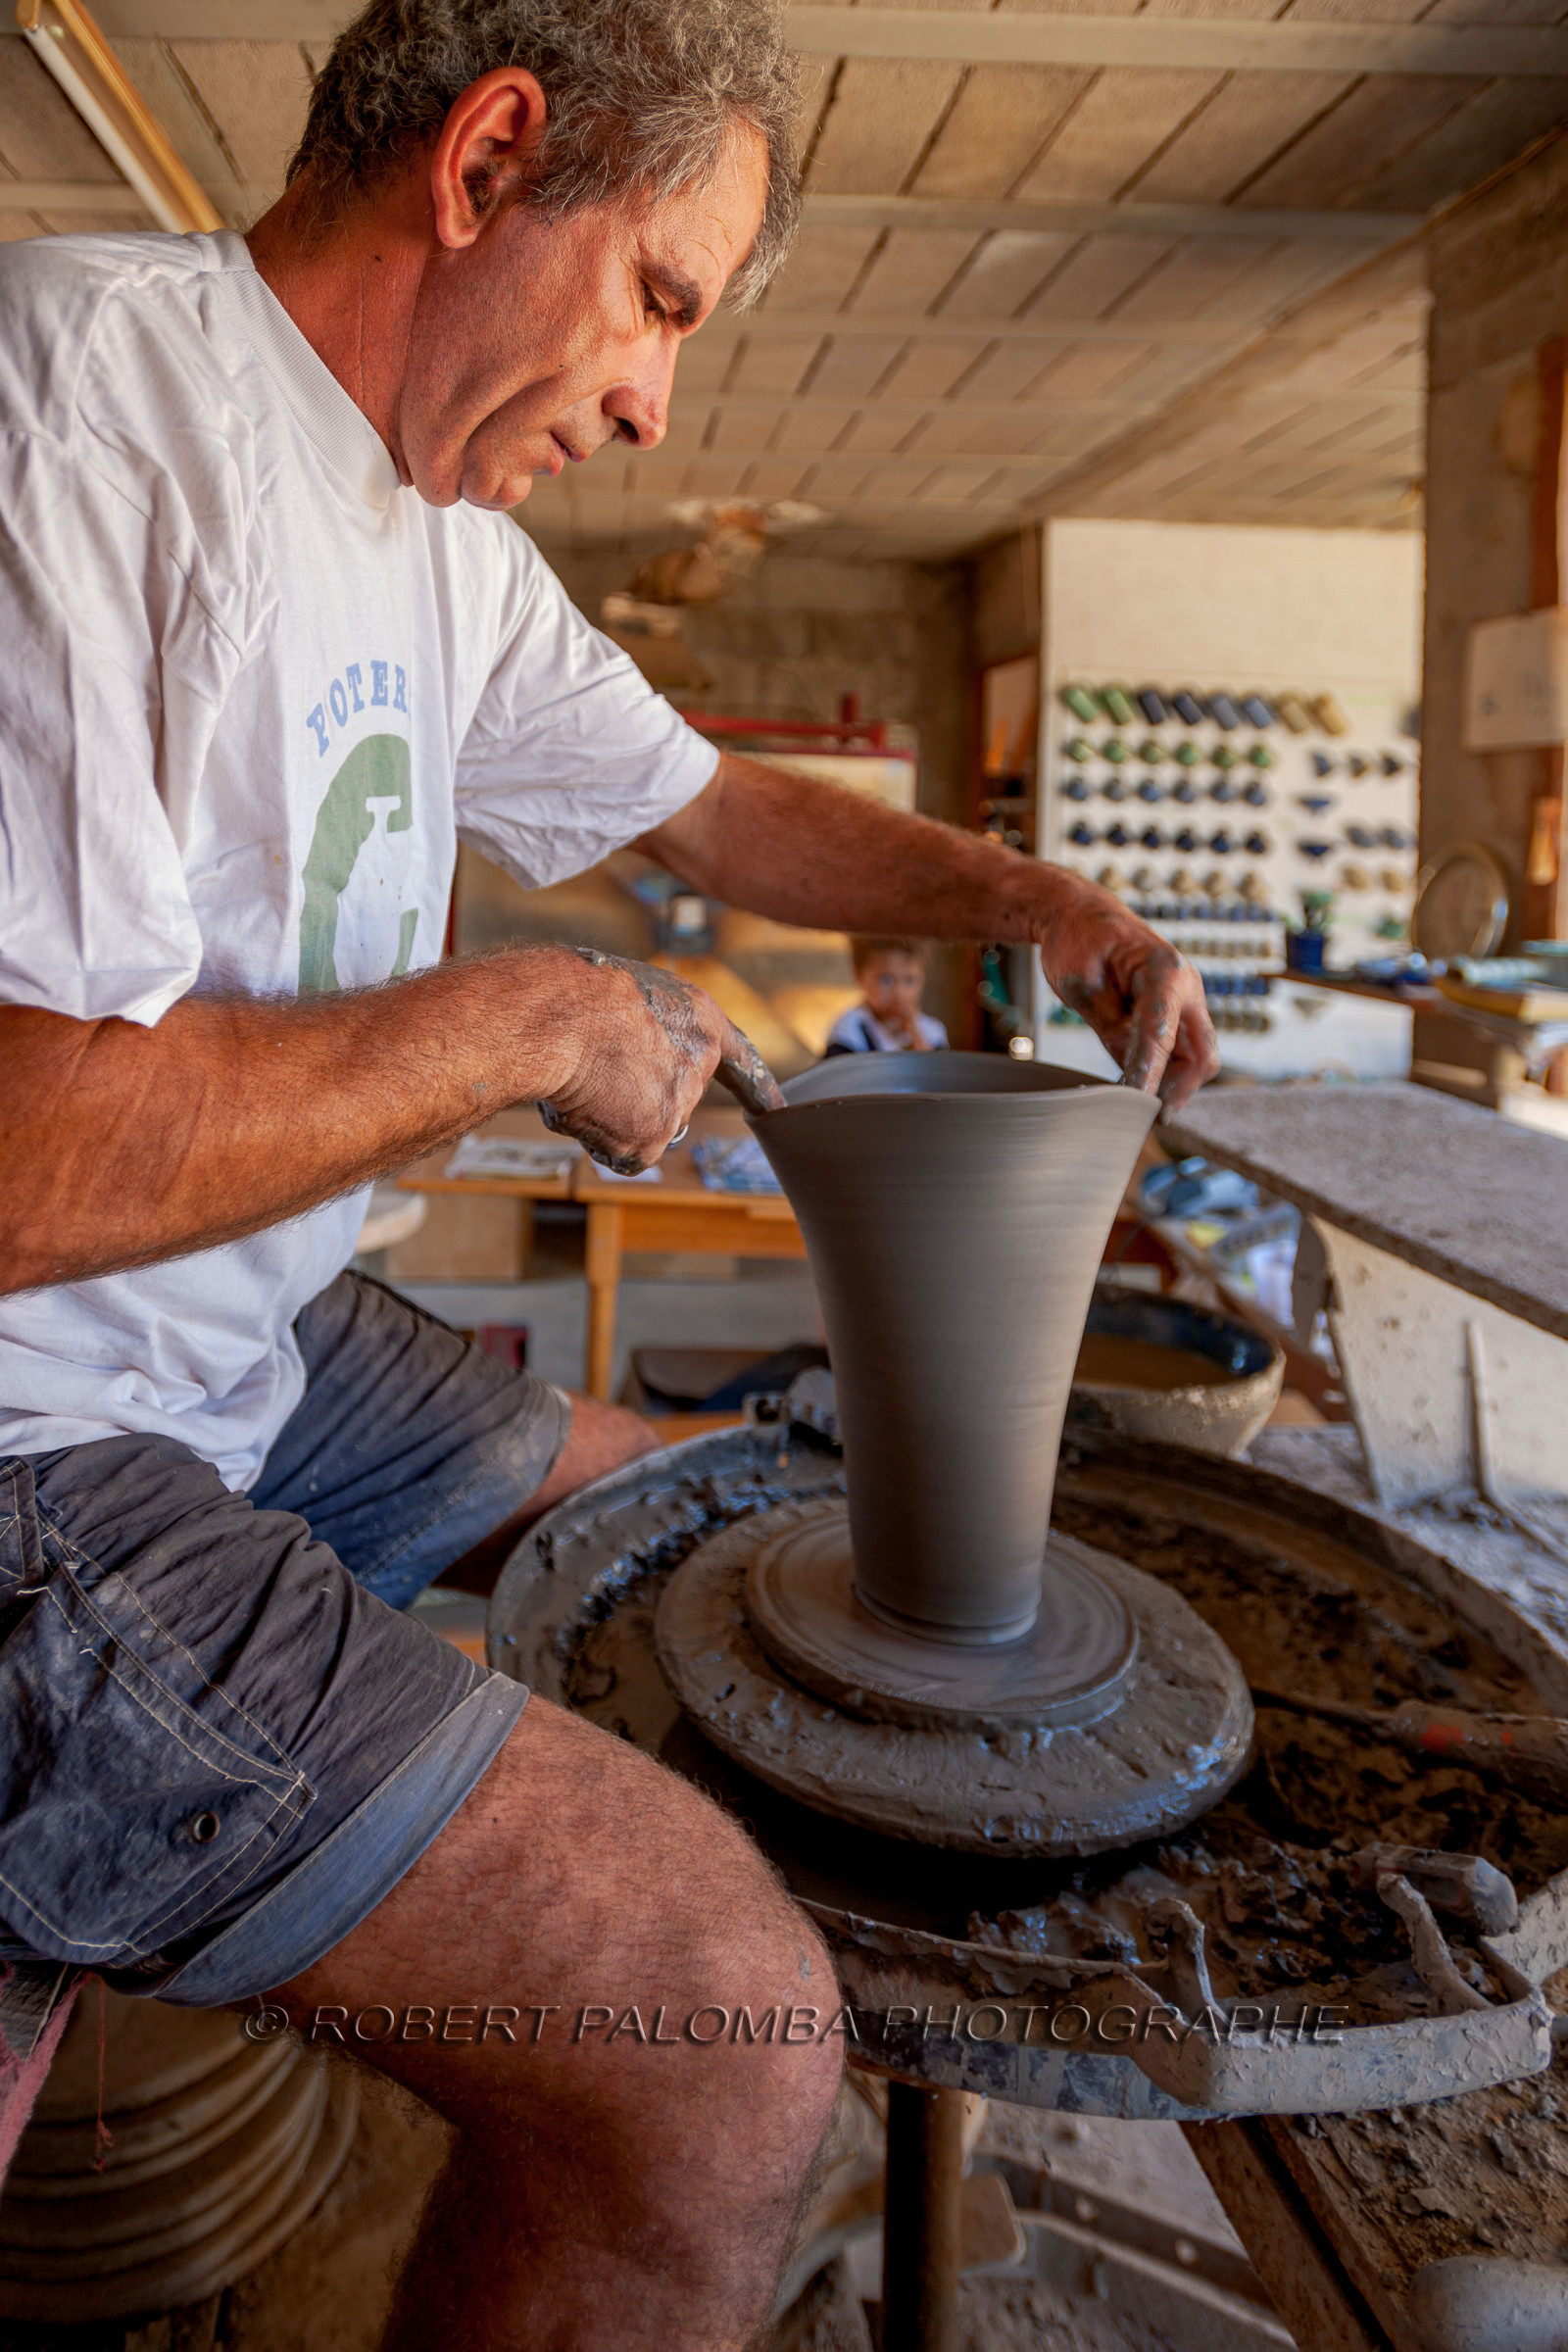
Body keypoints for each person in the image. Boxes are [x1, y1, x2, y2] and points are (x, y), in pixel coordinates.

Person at [0, 0, 1218, 2339]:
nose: (660, 399)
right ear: (485, 163)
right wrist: (527, 1014)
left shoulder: (438, 541)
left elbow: (718, 807)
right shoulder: (84, 398)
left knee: (696, 1514)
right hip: (43, 1414)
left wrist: (1021, 897)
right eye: (659, 298)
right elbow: (34, 1155)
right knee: (722, 2050)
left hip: (233, 1318)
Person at [824, 935, 949, 1055]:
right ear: (859, 974)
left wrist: (914, 1032)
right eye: (886, 980)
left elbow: (937, 1074)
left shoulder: (932, 1032)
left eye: (909, 980)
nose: (898, 992)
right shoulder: (848, 1031)